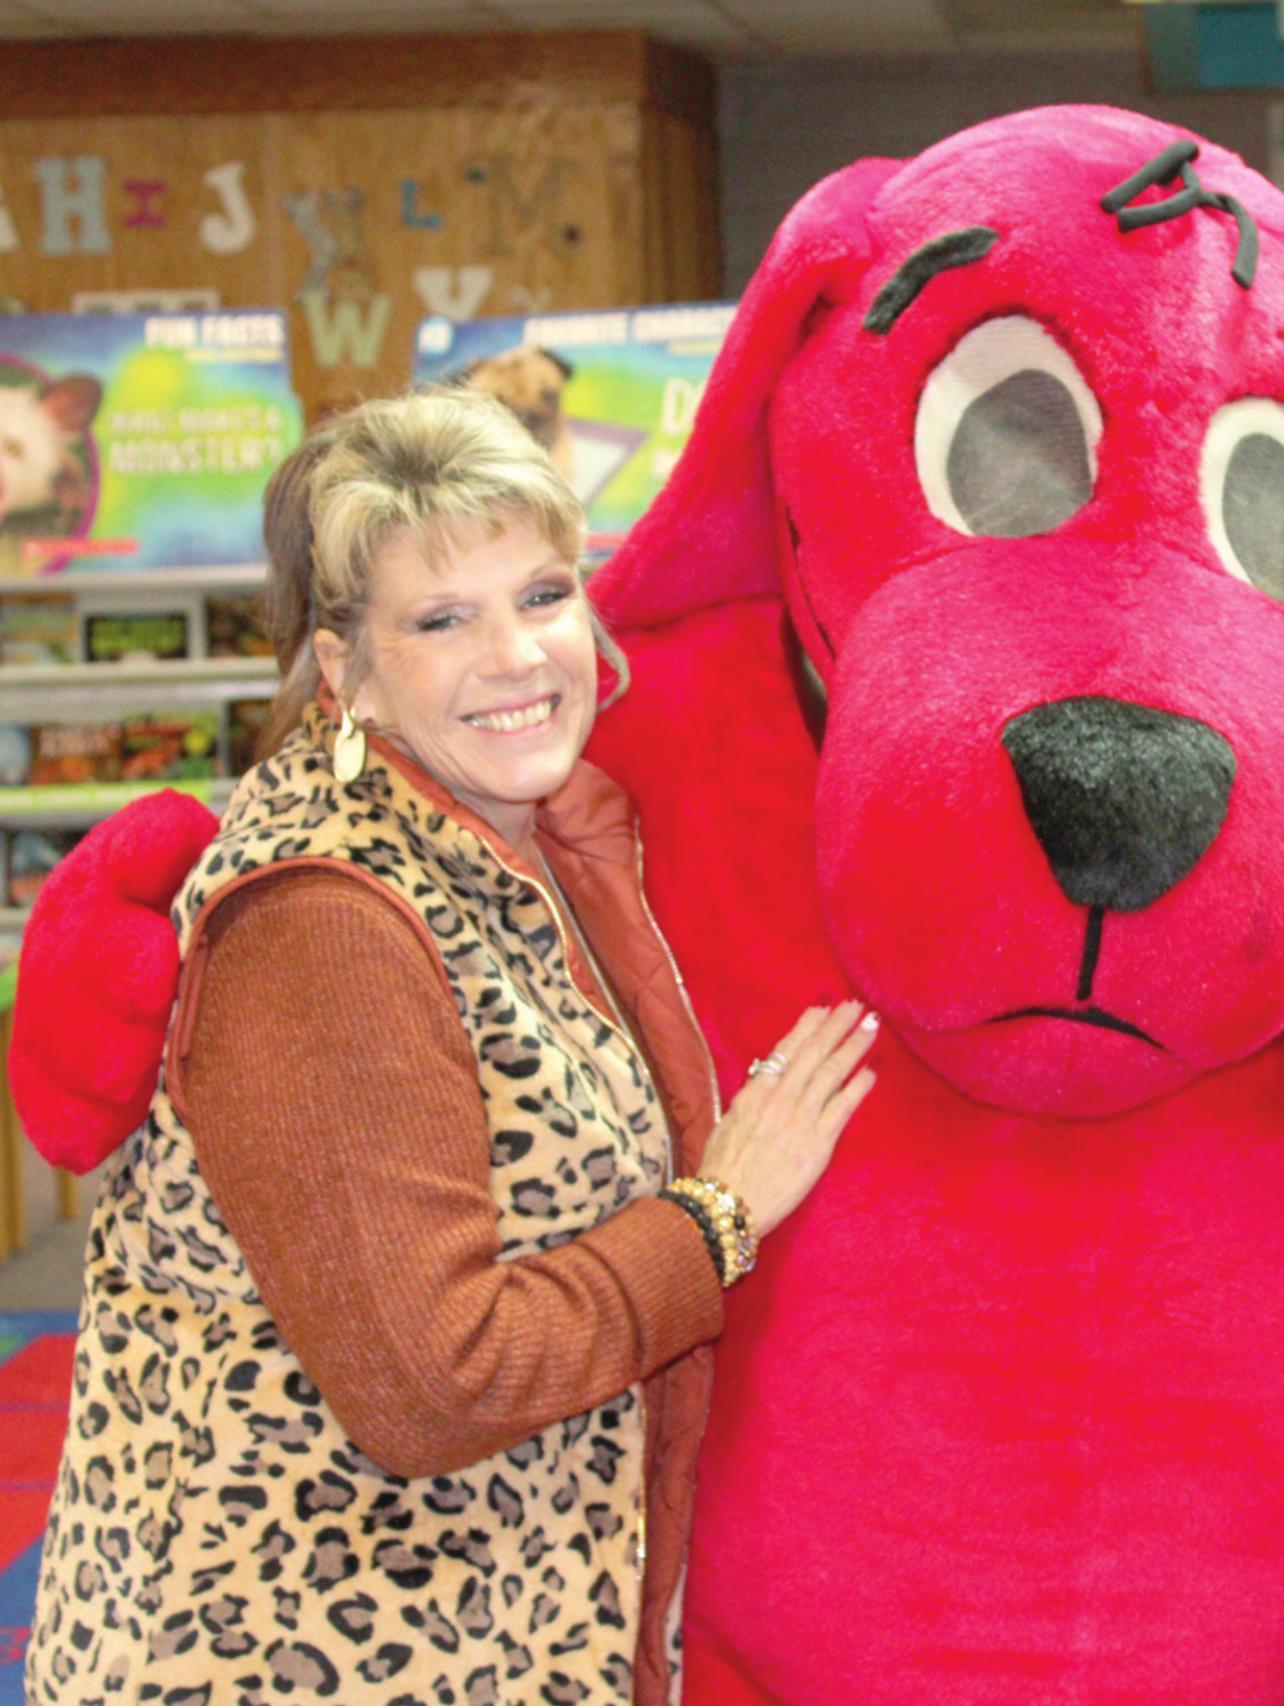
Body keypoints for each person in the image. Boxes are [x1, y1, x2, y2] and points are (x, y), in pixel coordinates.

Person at [26, 390, 878, 1705]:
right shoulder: (327, 915)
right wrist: (716, 1218)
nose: (517, 653)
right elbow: (436, 1379)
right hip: (310, 1650)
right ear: (342, 669)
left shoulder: (519, 842)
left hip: (482, 1618)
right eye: (441, 619)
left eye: (541, 593)